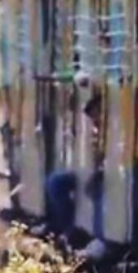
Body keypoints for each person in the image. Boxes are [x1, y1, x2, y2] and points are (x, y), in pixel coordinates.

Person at [42, 81, 103, 253]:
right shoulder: (97, 134)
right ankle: (67, 230)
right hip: (86, 172)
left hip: (107, 179)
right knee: (56, 182)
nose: (96, 123)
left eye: (97, 116)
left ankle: (101, 241)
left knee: (99, 187)